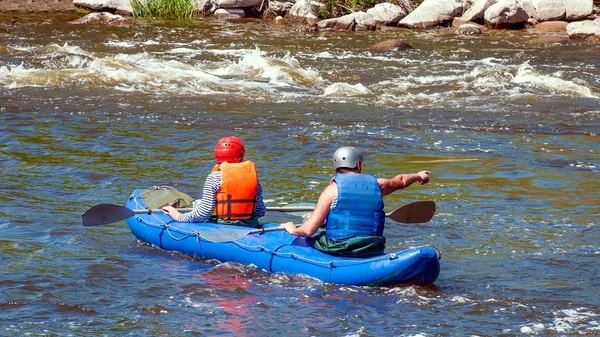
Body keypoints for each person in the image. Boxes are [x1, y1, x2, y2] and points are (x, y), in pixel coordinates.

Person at [281, 146, 430, 257]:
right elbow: (401, 181)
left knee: (314, 237)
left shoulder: (331, 190)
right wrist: (418, 175)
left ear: (336, 166)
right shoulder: (378, 185)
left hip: (341, 249)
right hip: (371, 247)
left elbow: (308, 230)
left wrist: (293, 229)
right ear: (358, 165)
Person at [162, 136, 266, 228]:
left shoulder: (214, 178)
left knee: (199, 205)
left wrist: (178, 216)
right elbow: (260, 211)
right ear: (241, 156)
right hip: (250, 225)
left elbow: (203, 213)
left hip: (222, 226)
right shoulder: (253, 179)